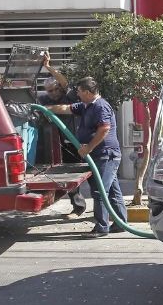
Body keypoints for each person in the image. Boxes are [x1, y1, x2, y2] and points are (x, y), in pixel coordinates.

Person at [45, 77, 128, 237]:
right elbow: (66, 108)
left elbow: (104, 129)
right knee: (112, 190)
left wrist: (89, 147)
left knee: (100, 191)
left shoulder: (100, 106)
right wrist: (45, 108)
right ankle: (120, 223)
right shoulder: (86, 105)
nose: (77, 94)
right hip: (98, 155)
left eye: (79, 91)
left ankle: (102, 227)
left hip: (105, 154)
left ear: (88, 92)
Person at [37, 52, 86, 217]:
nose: (52, 93)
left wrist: (48, 67)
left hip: (79, 141)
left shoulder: (70, 97)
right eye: (49, 91)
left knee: (92, 176)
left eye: (54, 90)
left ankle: (100, 210)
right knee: (67, 176)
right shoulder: (45, 101)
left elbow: (65, 83)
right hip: (61, 143)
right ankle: (77, 207)